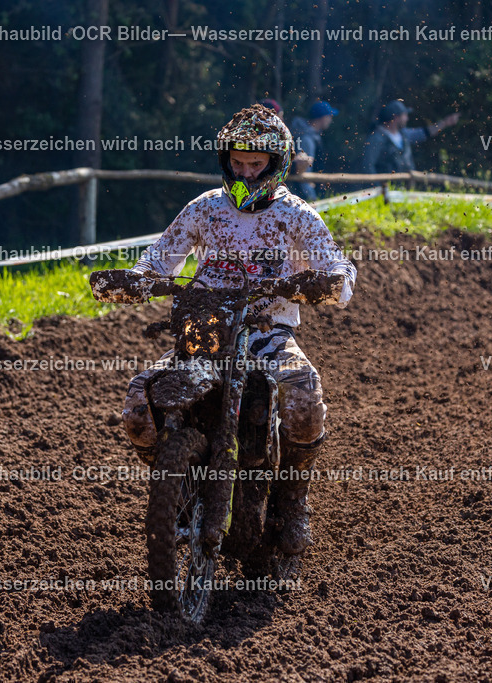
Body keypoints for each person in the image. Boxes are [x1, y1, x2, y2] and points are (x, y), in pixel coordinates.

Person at [92, 104, 356, 556]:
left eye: (257, 164)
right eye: (239, 162)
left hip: (267, 332)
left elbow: (338, 269)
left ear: (276, 163)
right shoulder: (206, 209)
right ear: (225, 159)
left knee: (305, 396)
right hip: (204, 332)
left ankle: (293, 501)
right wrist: (135, 281)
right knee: (139, 404)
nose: (247, 172)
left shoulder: (297, 215)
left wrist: (328, 283)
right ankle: (176, 484)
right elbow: (159, 259)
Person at [360, 100, 460, 175]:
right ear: (395, 118)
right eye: (405, 116)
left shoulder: (403, 134)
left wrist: (445, 123)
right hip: (385, 190)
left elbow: (426, 132)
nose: (407, 119)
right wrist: (378, 188)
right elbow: (368, 165)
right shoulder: (377, 138)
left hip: (403, 190)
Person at [288, 101, 338, 201]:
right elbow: (304, 170)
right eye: (330, 116)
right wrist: (311, 197)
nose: (331, 120)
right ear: (323, 117)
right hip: (305, 197)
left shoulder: (313, 136)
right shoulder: (307, 139)